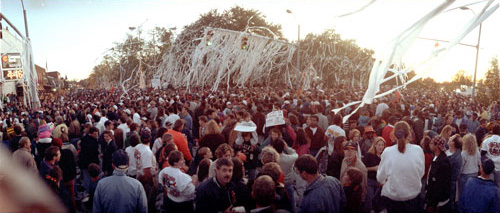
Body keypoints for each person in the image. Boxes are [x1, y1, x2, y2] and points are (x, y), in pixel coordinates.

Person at [377, 121, 424, 213]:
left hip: (393, 198)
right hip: (413, 197)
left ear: (394, 134)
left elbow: (380, 178)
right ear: (409, 134)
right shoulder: (418, 150)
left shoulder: (387, 151)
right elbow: (421, 173)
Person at [426, 136, 452, 213]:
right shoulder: (436, 157)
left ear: (437, 146)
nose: (430, 145)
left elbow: (441, 186)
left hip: (438, 202)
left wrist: (433, 204)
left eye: (431, 143)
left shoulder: (443, 163)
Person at [134, 130, 158, 213]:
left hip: (139, 174)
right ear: (150, 138)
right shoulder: (147, 152)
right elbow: (147, 170)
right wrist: (152, 183)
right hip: (145, 180)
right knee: (147, 202)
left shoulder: (138, 147)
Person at [339, 141, 367, 209]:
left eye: (352, 149)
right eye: (347, 149)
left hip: (353, 198)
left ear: (355, 151)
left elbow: (363, 185)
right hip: (343, 195)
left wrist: (362, 201)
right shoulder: (345, 161)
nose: (349, 151)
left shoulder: (361, 167)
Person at [362, 136, 385, 212]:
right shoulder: (369, 155)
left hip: (380, 183)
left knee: (379, 201)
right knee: (370, 199)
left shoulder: (385, 156)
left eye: (382, 145)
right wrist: (373, 168)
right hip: (370, 181)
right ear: (375, 145)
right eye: (379, 145)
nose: (381, 147)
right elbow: (363, 169)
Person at [446, 134, 462, 210]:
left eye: (451, 138)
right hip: (447, 182)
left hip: (450, 183)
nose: (449, 138)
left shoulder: (456, 157)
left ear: (453, 143)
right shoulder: (448, 151)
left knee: (449, 203)